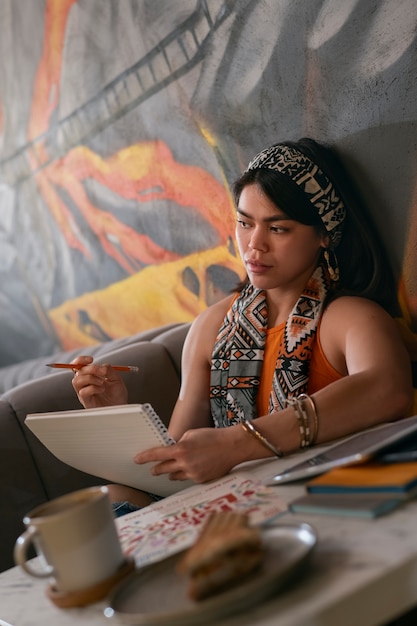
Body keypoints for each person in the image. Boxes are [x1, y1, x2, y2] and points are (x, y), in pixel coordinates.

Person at [72, 138, 413, 513]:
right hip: (234, 509)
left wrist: (238, 443)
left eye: (278, 229)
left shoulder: (349, 318)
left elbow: (388, 389)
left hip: (324, 499)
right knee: (109, 499)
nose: (254, 245)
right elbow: (170, 468)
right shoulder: (211, 327)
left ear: (323, 234)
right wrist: (114, 416)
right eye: (244, 223)